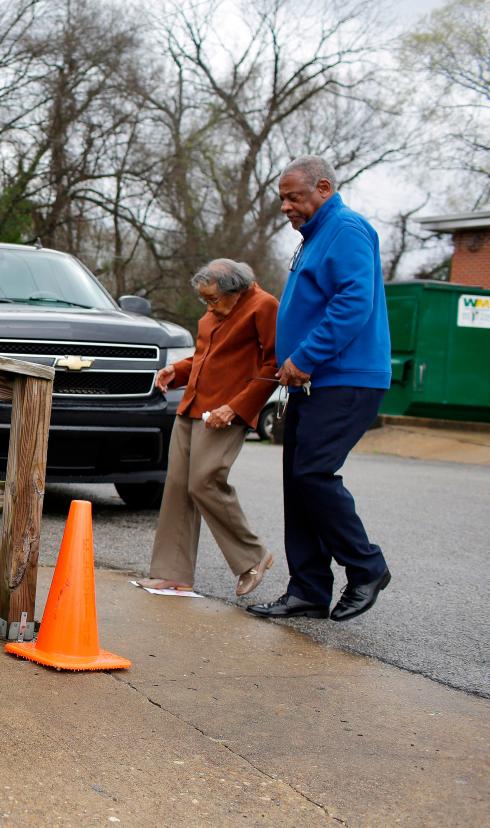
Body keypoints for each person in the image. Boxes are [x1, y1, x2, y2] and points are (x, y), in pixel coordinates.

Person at [247, 156, 392, 622]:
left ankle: (367, 567)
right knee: (298, 482)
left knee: (313, 474)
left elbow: (353, 303)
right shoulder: (313, 238)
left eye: (294, 197)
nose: (286, 207)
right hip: (312, 382)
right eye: (282, 199)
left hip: (346, 378)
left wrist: (304, 358)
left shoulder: (347, 229)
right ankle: (308, 589)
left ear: (324, 188)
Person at [141, 259, 279, 597]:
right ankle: (173, 573)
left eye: (213, 299)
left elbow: (273, 365)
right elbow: (207, 357)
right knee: (176, 486)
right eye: (204, 300)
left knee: (204, 481)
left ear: (238, 290)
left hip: (226, 411)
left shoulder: (264, 306)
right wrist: (177, 371)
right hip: (192, 408)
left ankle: (253, 557)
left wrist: (236, 408)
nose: (208, 306)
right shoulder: (216, 311)